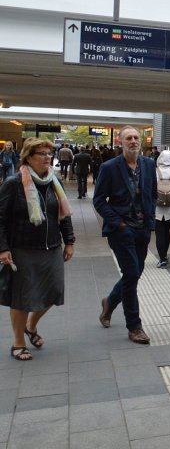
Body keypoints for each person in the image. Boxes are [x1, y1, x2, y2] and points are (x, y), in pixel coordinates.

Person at [0, 138, 75, 360]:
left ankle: (31, 326)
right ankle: (18, 342)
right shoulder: (13, 183)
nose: (46, 158)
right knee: (22, 297)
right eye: (41, 154)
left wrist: (69, 240)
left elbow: (63, 214)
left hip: (51, 246)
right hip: (23, 248)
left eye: (48, 154)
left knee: (54, 291)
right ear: (28, 157)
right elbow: (1, 218)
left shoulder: (54, 181)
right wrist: (3, 248)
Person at [93, 125, 156, 345]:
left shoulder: (149, 164)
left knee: (134, 274)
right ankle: (135, 327)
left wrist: (150, 223)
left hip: (142, 230)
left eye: (136, 138)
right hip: (121, 231)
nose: (133, 141)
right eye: (128, 138)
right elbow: (99, 200)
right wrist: (118, 223)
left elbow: (152, 194)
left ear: (141, 141)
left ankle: (109, 302)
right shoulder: (109, 167)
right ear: (121, 142)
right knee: (131, 276)